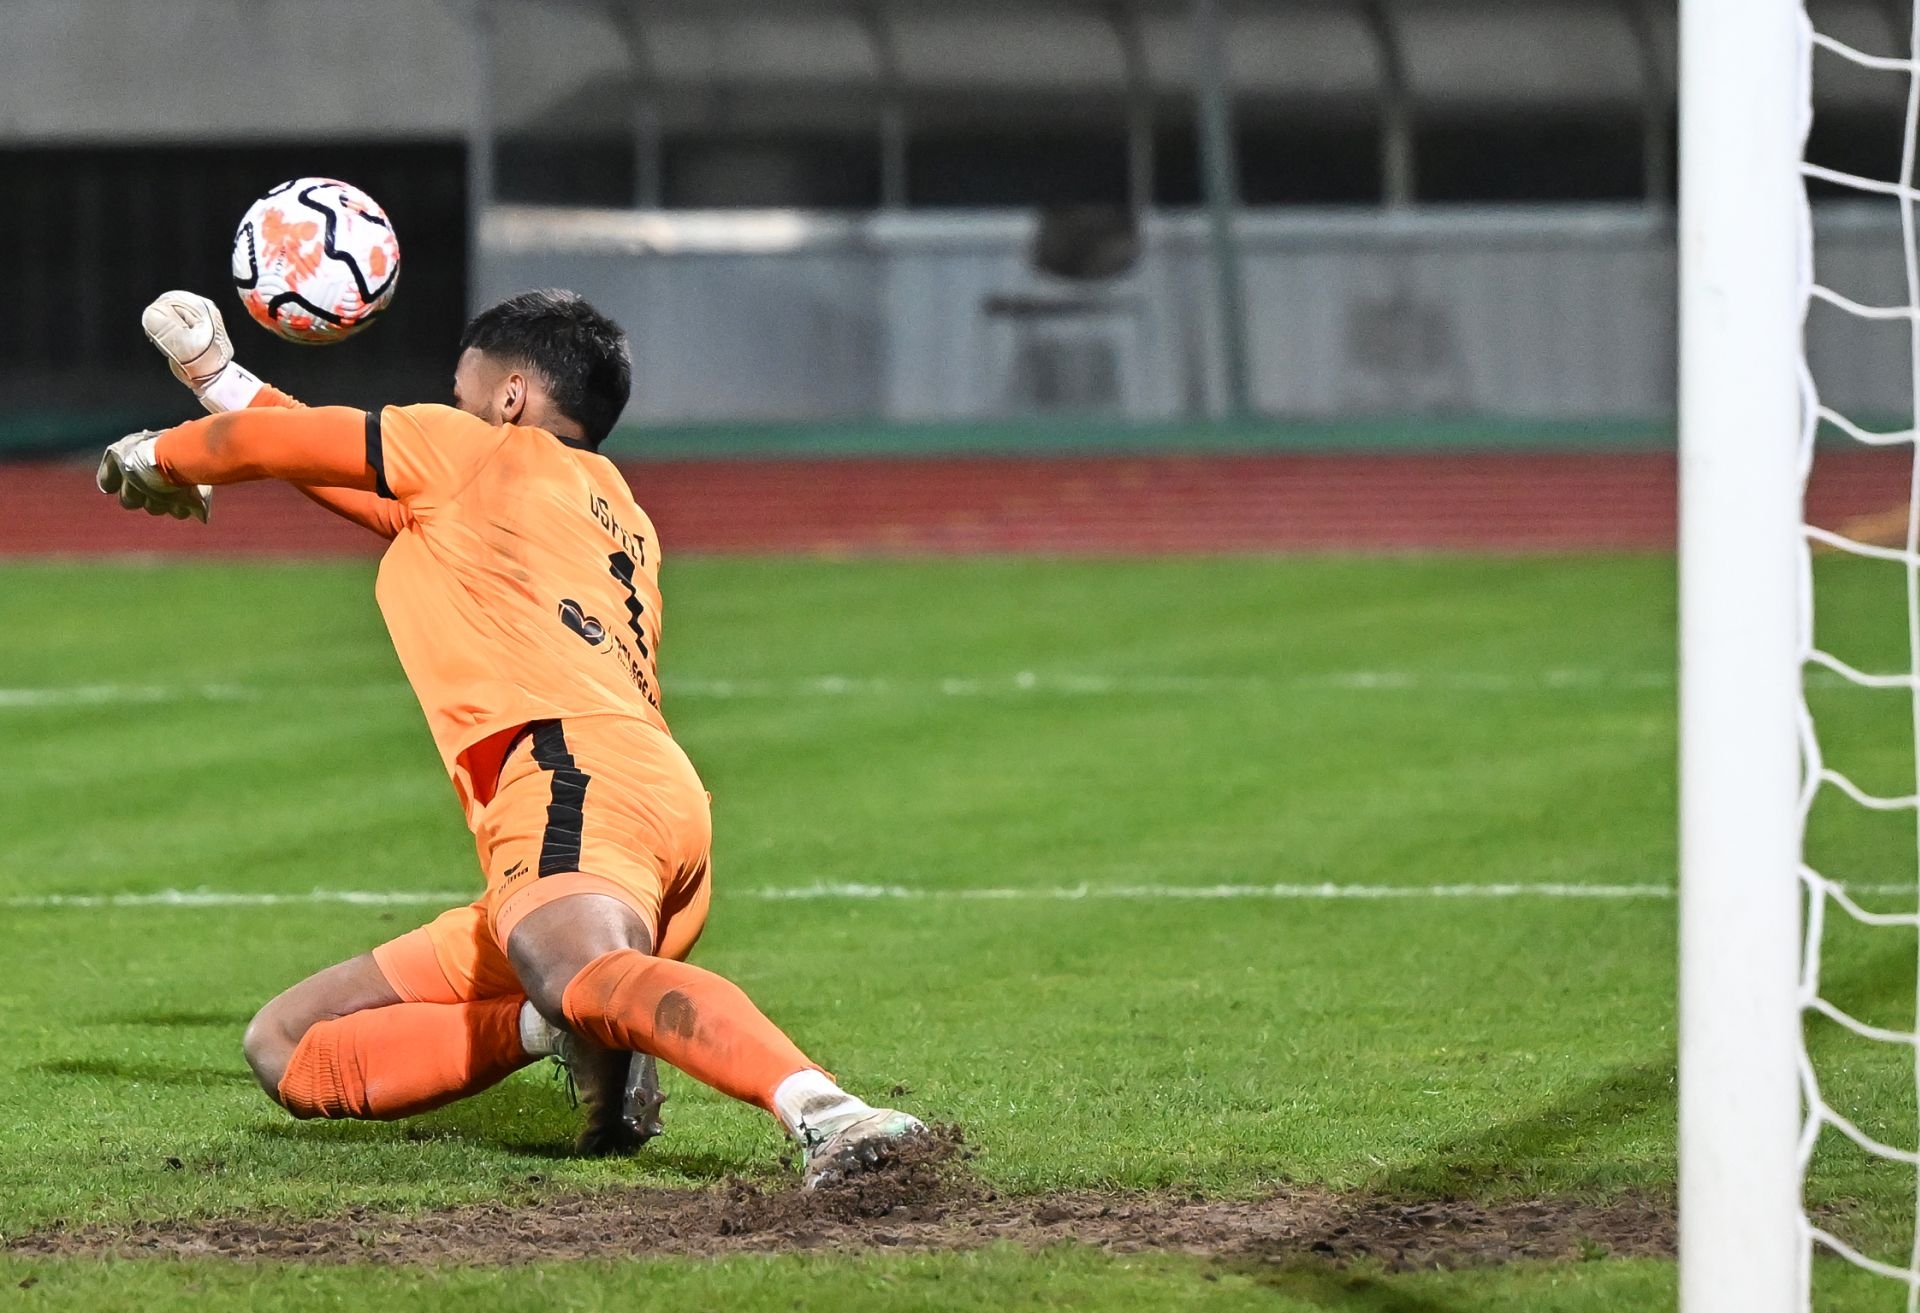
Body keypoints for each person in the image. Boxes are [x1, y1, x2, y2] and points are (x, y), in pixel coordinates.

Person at [97, 287, 924, 1185]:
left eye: (459, 395)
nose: (447, 411)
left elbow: (275, 447)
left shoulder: (475, 449)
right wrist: (217, 379)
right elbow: (328, 464)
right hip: (643, 798)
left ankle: (831, 1113)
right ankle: (556, 1028)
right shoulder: (611, 506)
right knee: (288, 1043)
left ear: (512, 395)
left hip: (569, 778)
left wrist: (155, 456)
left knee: (582, 968)